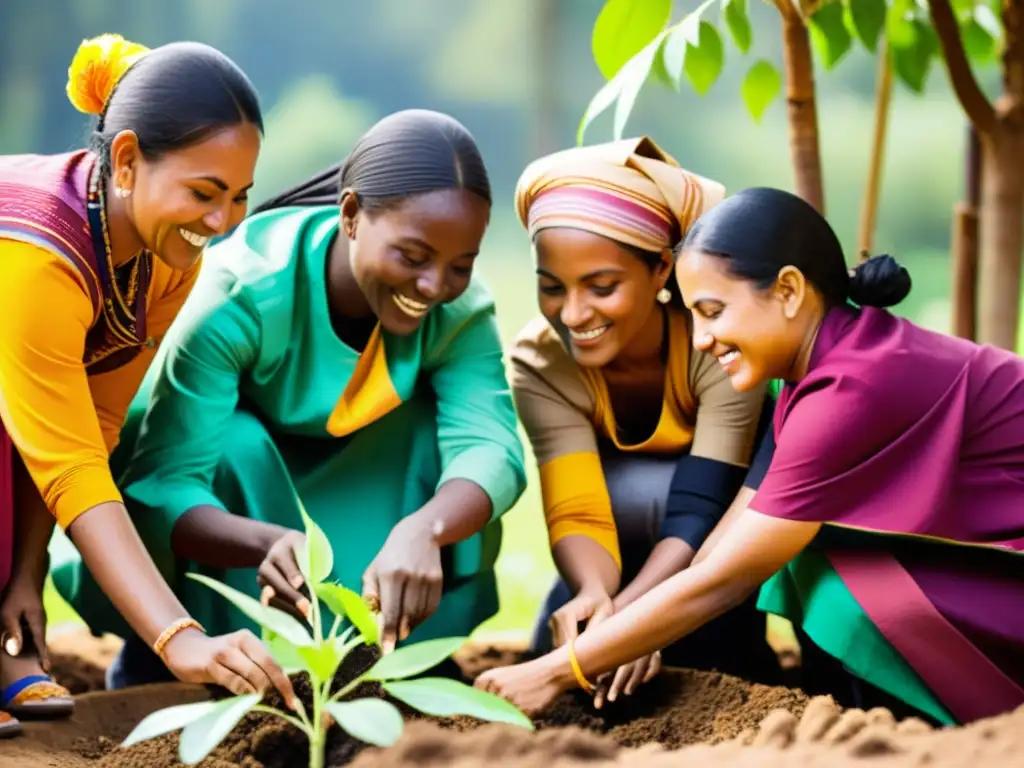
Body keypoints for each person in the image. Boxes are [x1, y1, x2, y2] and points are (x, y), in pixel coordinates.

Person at [475, 186, 1024, 725]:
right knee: (805, 563)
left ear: (787, 290)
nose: (701, 340)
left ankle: (942, 725)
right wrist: (628, 631)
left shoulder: (852, 387)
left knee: (839, 586)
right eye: (693, 317)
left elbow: (729, 578)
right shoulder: (813, 372)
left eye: (713, 311)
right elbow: (724, 542)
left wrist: (555, 672)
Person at [52, 109, 528, 689]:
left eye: (461, 264)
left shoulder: (458, 309)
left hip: (360, 480)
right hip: (233, 497)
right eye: (412, 255)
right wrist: (267, 542)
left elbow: (491, 446)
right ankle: (189, 647)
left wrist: (426, 528)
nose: (433, 286)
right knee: (238, 442)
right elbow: (169, 481)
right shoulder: (243, 292)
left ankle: (404, 649)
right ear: (351, 215)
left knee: (444, 452)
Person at [0, 34, 297, 737]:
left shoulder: (168, 252)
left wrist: (25, 578)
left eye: (237, 197)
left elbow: (91, 424)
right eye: (204, 193)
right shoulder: (41, 261)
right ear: (128, 161)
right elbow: (66, 461)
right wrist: (180, 640)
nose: (221, 222)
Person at [508, 138, 779, 707]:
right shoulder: (540, 361)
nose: (574, 314)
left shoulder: (714, 342)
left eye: (602, 287)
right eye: (552, 287)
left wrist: (631, 622)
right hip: (616, 564)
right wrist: (594, 596)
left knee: (650, 489)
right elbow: (575, 506)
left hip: (708, 558)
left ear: (662, 268)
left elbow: (703, 504)